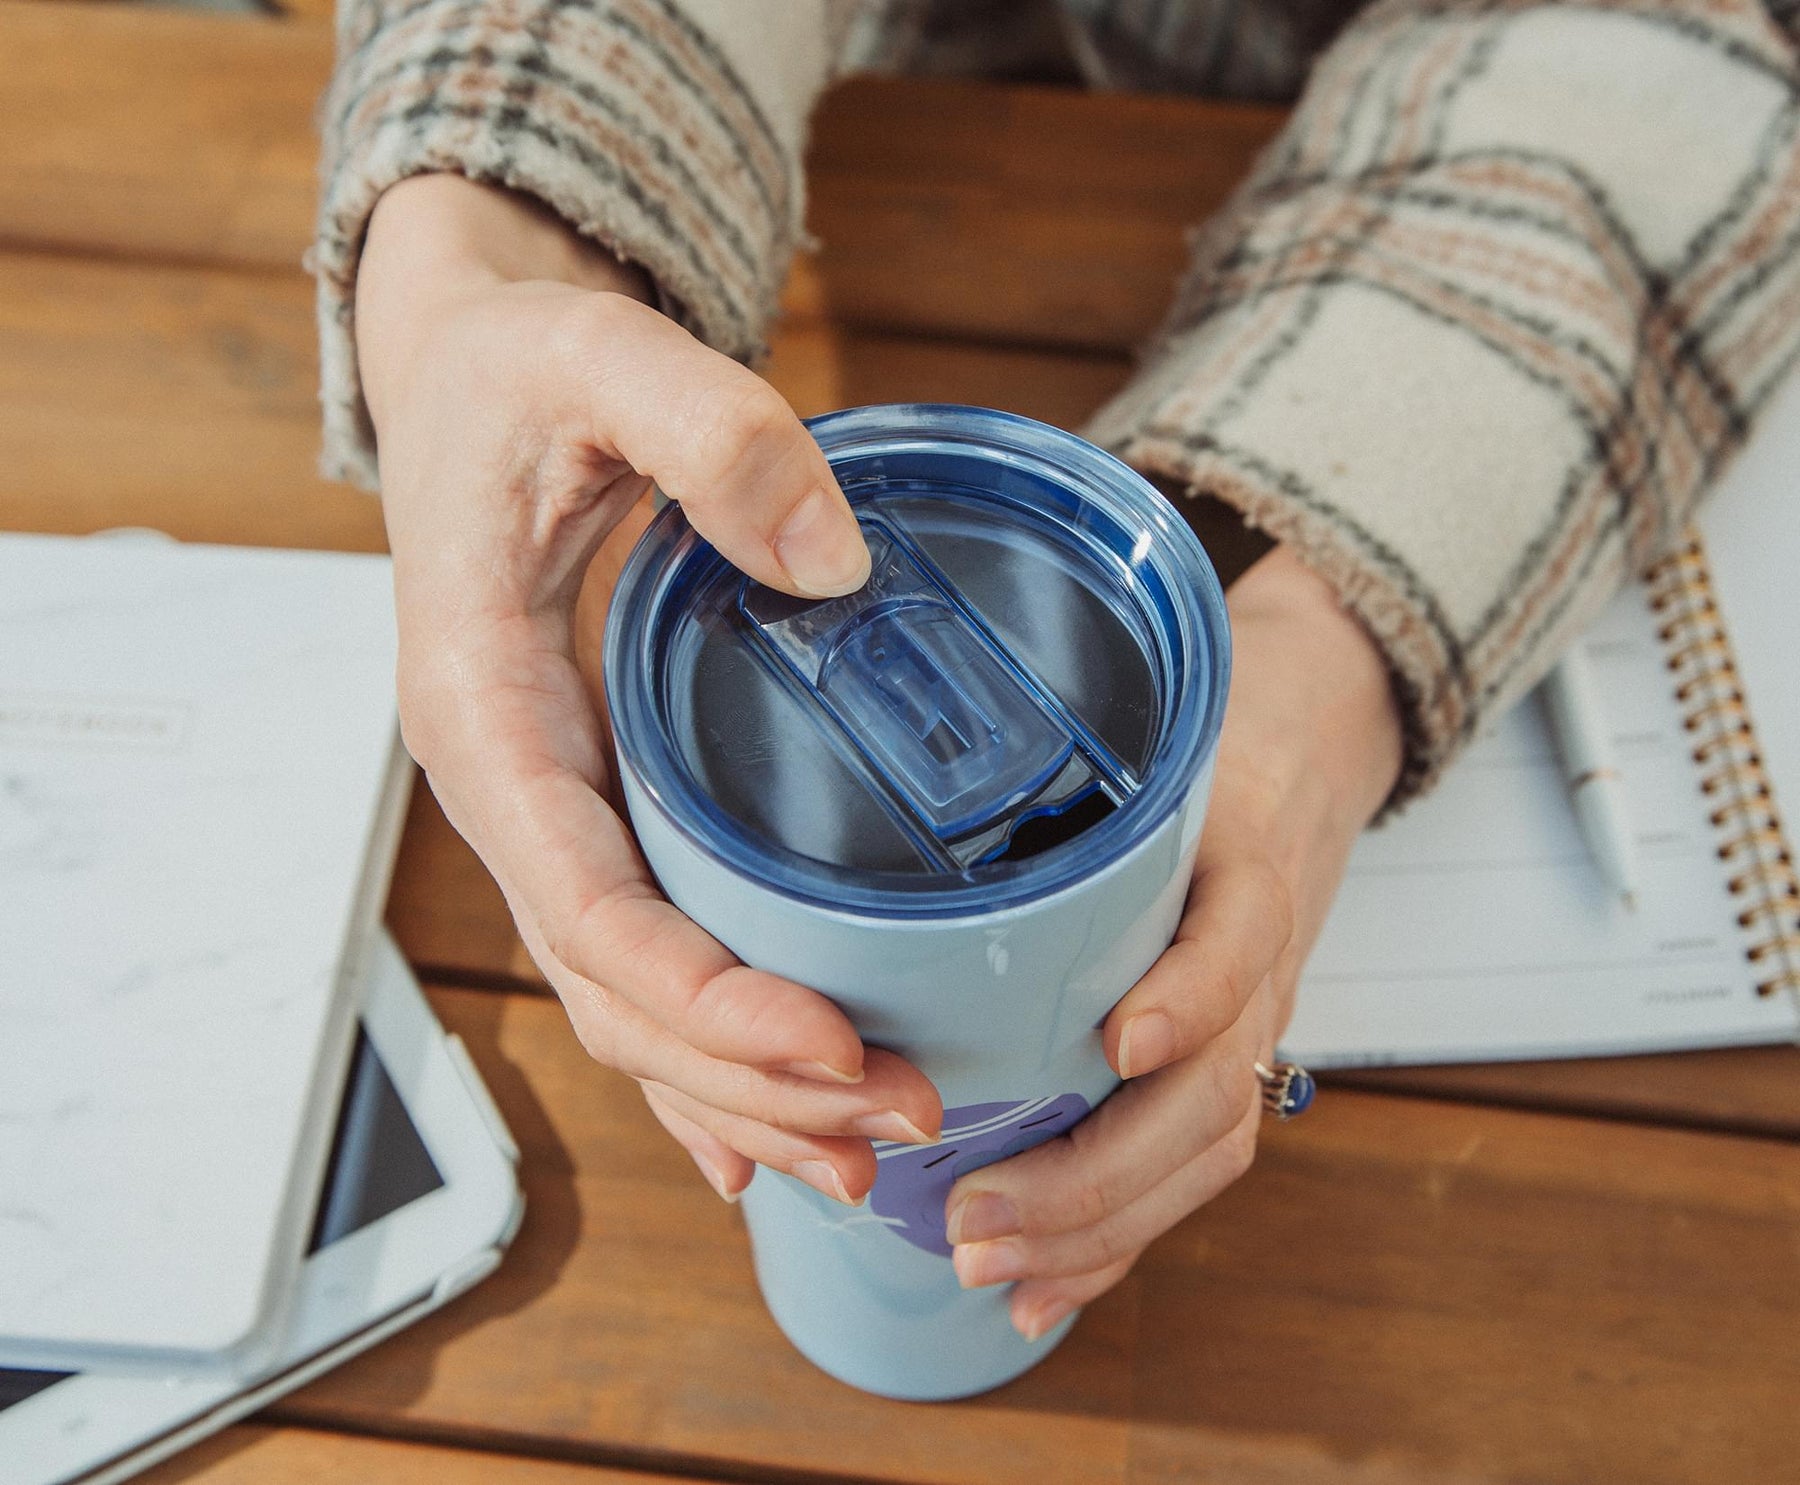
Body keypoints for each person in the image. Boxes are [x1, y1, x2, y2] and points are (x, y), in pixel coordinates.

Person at [313, 0, 1800, 1342]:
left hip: (1400, 238)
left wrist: (1326, 637)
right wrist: (488, 251)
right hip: (818, 135)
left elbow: (1685, 51)